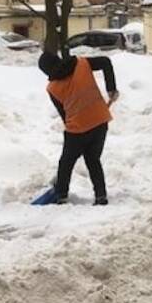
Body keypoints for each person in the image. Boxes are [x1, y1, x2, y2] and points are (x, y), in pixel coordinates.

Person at [38, 51, 118, 205]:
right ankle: (101, 196)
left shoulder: (52, 88)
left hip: (77, 129)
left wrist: (72, 132)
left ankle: (61, 195)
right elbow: (106, 62)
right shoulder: (81, 64)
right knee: (93, 160)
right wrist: (111, 88)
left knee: (66, 163)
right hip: (100, 121)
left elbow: (64, 113)